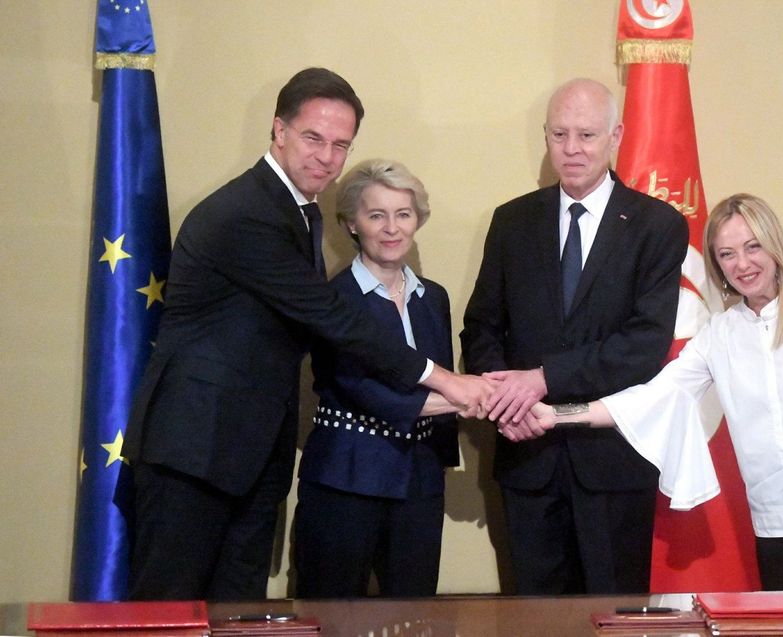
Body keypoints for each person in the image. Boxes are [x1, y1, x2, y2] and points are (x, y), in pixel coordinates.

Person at [122, 68, 490, 601]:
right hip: (194, 453)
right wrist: (447, 381)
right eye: (314, 138)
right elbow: (331, 317)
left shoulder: (298, 210)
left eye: (341, 145)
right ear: (278, 130)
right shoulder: (247, 213)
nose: (327, 157)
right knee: (168, 613)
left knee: (238, 613)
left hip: (248, 457)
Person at [515, 193, 783, 612]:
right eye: (727, 254)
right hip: (778, 526)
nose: (742, 264)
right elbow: (655, 397)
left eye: (752, 247)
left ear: (775, 245)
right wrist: (554, 415)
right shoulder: (720, 334)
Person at [460, 78, 689, 594]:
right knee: (534, 621)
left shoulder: (657, 225)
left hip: (613, 464)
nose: (572, 149)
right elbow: (482, 326)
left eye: (586, 135)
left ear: (616, 136)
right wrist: (505, 404)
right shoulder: (512, 221)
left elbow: (644, 345)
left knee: (614, 615)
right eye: (559, 134)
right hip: (526, 461)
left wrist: (542, 379)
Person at [293, 159, 460, 598]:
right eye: (376, 215)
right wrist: (473, 397)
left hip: (419, 484)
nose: (392, 228)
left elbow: (442, 378)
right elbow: (361, 390)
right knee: (331, 613)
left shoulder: (433, 298)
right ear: (352, 223)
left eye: (403, 214)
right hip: (346, 480)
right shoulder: (331, 300)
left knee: (415, 616)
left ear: (417, 220)